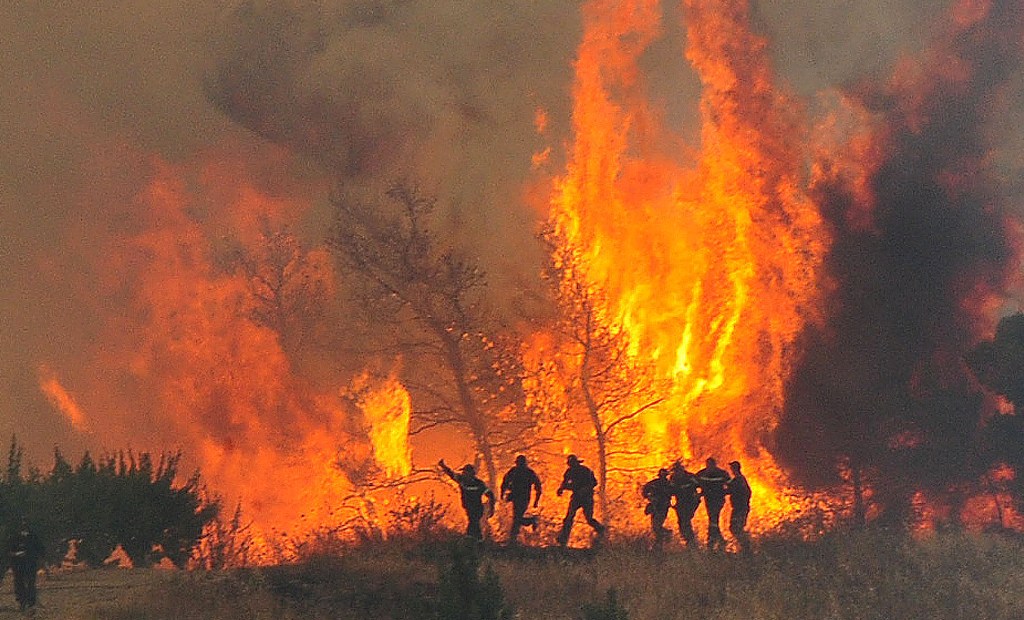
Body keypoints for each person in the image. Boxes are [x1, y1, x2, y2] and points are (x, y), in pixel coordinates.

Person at [555, 454, 605, 546]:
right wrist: (561, 489)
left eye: (572, 464)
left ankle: (601, 530)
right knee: (569, 517)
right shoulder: (569, 472)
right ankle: (563, 539)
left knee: (589, 519)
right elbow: (565, 482)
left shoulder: (585, 471)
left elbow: (594, 482)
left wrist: (585, 489)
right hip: (576, 497)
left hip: (587, 498)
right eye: (570, 464)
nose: (571, 466)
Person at [439, 459, 495, 541]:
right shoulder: (462, 480)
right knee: (474, 524)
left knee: (473, 523)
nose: (463, 473)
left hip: (477, 508)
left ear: (470, 473)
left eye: (465, 472)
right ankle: (477, 541)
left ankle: (471, 540)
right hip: (469, 507)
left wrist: (492, 508)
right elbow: (451, 474)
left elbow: (490, 495)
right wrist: (443, 466)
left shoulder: (478, 483)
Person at [500, 455, 542, 544]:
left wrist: (536, 501)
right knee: (517, 517)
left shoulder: (528, 473)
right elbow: (505, 482)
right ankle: (513, 538)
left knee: (517, 518)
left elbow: (538, 486)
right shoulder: (514, 471)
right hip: (516, 497)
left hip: (523, 498)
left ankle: (513, 538)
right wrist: (503, 493)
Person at [5, 517, 44, 612]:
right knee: (19, 583)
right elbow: (9, 551)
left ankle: (31, 603)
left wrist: (36, 557)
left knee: (30, 583)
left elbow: (40, 550)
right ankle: (22, 602)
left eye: (25, 523)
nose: (24, 525)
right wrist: (16, 554)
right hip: (18, 564)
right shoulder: (14, 537)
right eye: (22, 523)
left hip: (30, 563)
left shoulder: (33, 537)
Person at [696, 457, 730, 551]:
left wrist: (723, 492)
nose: (709, 467)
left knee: (713, 519)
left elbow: (729, 485)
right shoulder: (702, 473)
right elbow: (695, 482)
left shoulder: (722, 473)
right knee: (713, 520)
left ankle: (711, 542)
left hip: (718, 500)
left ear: (714, 465)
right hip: (709, 500)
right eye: (708, 465)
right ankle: (719, 540)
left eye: (711, 465)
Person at [669, 460, 701, 547]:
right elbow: (670, 490)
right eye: (675, 471)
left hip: (690, 502)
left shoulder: (690, 477)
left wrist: (698, 495)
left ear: (682, 470)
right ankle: (688, 540)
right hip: (680, 503)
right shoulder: (673, 478)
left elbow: (700, 485)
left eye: (678, 470)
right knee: (681, 522)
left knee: (686, 520)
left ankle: (691, 542)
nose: (677, 473)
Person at [641, 468, 674, 548]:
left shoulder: (669, 484)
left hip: (663, 507)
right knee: (655, 526)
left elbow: (674, 492)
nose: (662, 477)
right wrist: (648, 497)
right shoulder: (654, 483)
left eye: (664, 475)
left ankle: (661, 540)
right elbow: (645, 489)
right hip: (655, 506)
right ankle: (659, 542)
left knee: (657, 525)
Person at [727, 460, 752, 555]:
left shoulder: (738, 480)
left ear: (734, 469)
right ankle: (745, 548)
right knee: (736, 527)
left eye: (731, 468)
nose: (731, 470)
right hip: (741, 508)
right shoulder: (740, 479)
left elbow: (729, 490)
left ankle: (746, 548)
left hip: (739, 509)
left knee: (735, 528)